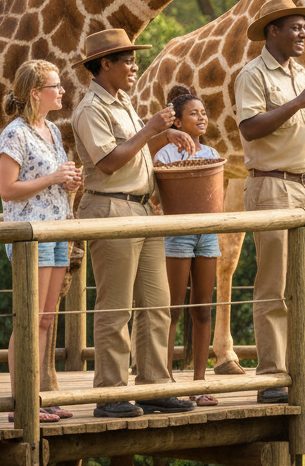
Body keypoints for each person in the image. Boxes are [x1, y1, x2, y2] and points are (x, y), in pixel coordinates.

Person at [71, 28, 197, 418]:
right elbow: (108, 162)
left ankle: (153, 386)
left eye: (133, 59)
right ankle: (109, 394)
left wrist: (165, 136)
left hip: (142, 210)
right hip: (110, 210)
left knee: (157, 304)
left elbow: (134, 150)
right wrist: (152, 129)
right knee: (116, 308)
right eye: (127, 60)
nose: (134, 65)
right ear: (104, 64)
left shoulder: (122, 100)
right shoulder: (90, 108)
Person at [235, 0, 305, 404]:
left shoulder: (304, 74)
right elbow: (250, 129)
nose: (303, 33)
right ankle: (273, 375)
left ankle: (302, 368)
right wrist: (298, 102)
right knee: (274, 285)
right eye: (294, 27)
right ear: (272, 31)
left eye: (303, 26)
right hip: (272, 186)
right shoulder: (252, 74)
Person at [0, 60, 82, 424]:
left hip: (57, 231)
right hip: (29, 235)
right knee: (29, 320)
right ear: (35, 93)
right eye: (55, 86)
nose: (62, 91)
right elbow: (8, 189)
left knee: (46, 319)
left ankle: (38, 397)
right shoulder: (13, 135)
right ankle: (22, 403)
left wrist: (68, 181)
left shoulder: (53, 130)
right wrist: (51, 177)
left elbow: (52, 179)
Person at [154, 86, 222, 406]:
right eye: (193, 113)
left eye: (203, 113)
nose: (201, 117)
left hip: (207, 234)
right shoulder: (164, 155)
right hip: (177, 233)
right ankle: (166, 378)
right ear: (177, 123)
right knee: (173, 308)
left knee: (203, 308)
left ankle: (200, 380)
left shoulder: (211, 155)